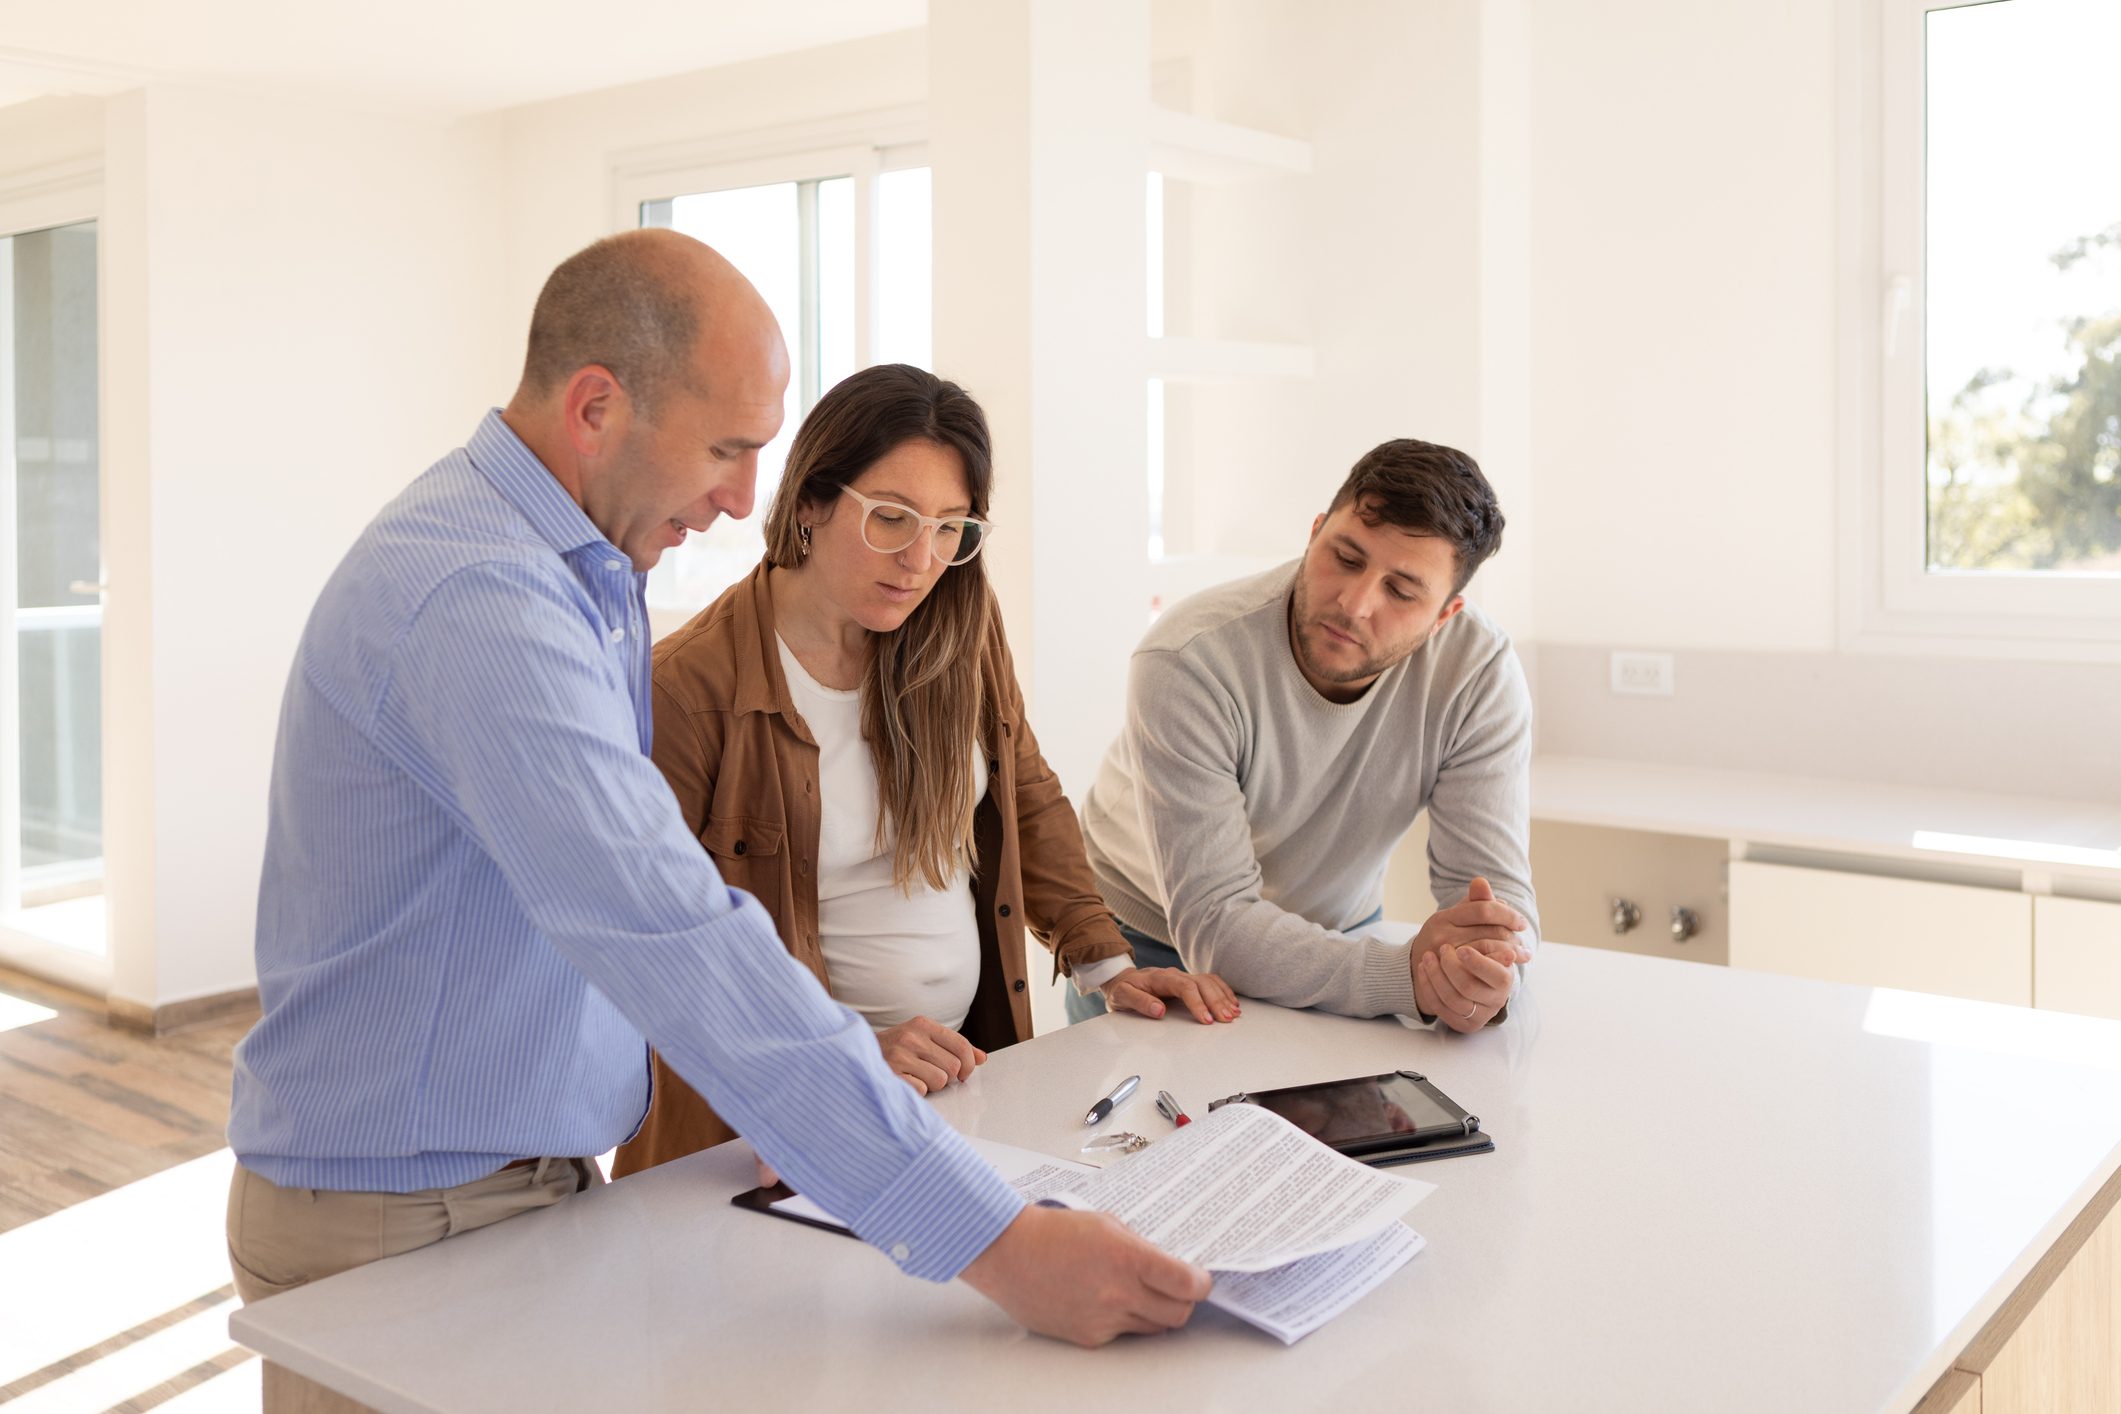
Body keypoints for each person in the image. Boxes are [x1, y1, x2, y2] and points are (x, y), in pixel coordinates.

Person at [224, 233, 1211, 1394]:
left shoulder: (580, 573)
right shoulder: (486, 598)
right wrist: (995, 1240)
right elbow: (672, 930)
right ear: (596, 407)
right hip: (407, 1217)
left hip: (513, 1183)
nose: (746, 497)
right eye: (728, 449)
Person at [614, 363, 1238, 1174]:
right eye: (890, 518)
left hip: (963, 1080)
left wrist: (1109, 966)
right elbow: (660, 952)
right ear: (809, 502)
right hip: (777, 1118)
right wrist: (842, 1051)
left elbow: (1024, 795)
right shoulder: (685, 690)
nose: (920, 558)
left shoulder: (958, 627)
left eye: (951, 527)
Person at [1073, 438, 1539, 1031]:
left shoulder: (1478, 674)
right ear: (1315, 533)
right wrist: (1408, 978)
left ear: (1444, 615)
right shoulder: (1190, 657)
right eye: (1345, 557)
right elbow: (1216, 922)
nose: (1355, 603)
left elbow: (1495, 901)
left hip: (1337, 928)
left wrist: (1483, 978)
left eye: (1401, 591)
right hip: (1152, 940)